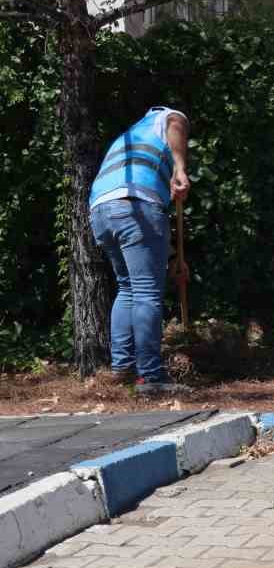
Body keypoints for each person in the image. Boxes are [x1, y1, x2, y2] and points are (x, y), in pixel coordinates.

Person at [87, 106, 192, 395]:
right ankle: (150, 377)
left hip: (101, 210)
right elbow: (176, 123)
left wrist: (172, 258)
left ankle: (122, 369)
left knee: (128, 288)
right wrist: (180, 168)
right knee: (146, 291)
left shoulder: (128, 138)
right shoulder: (167, 117)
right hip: (136, 205)